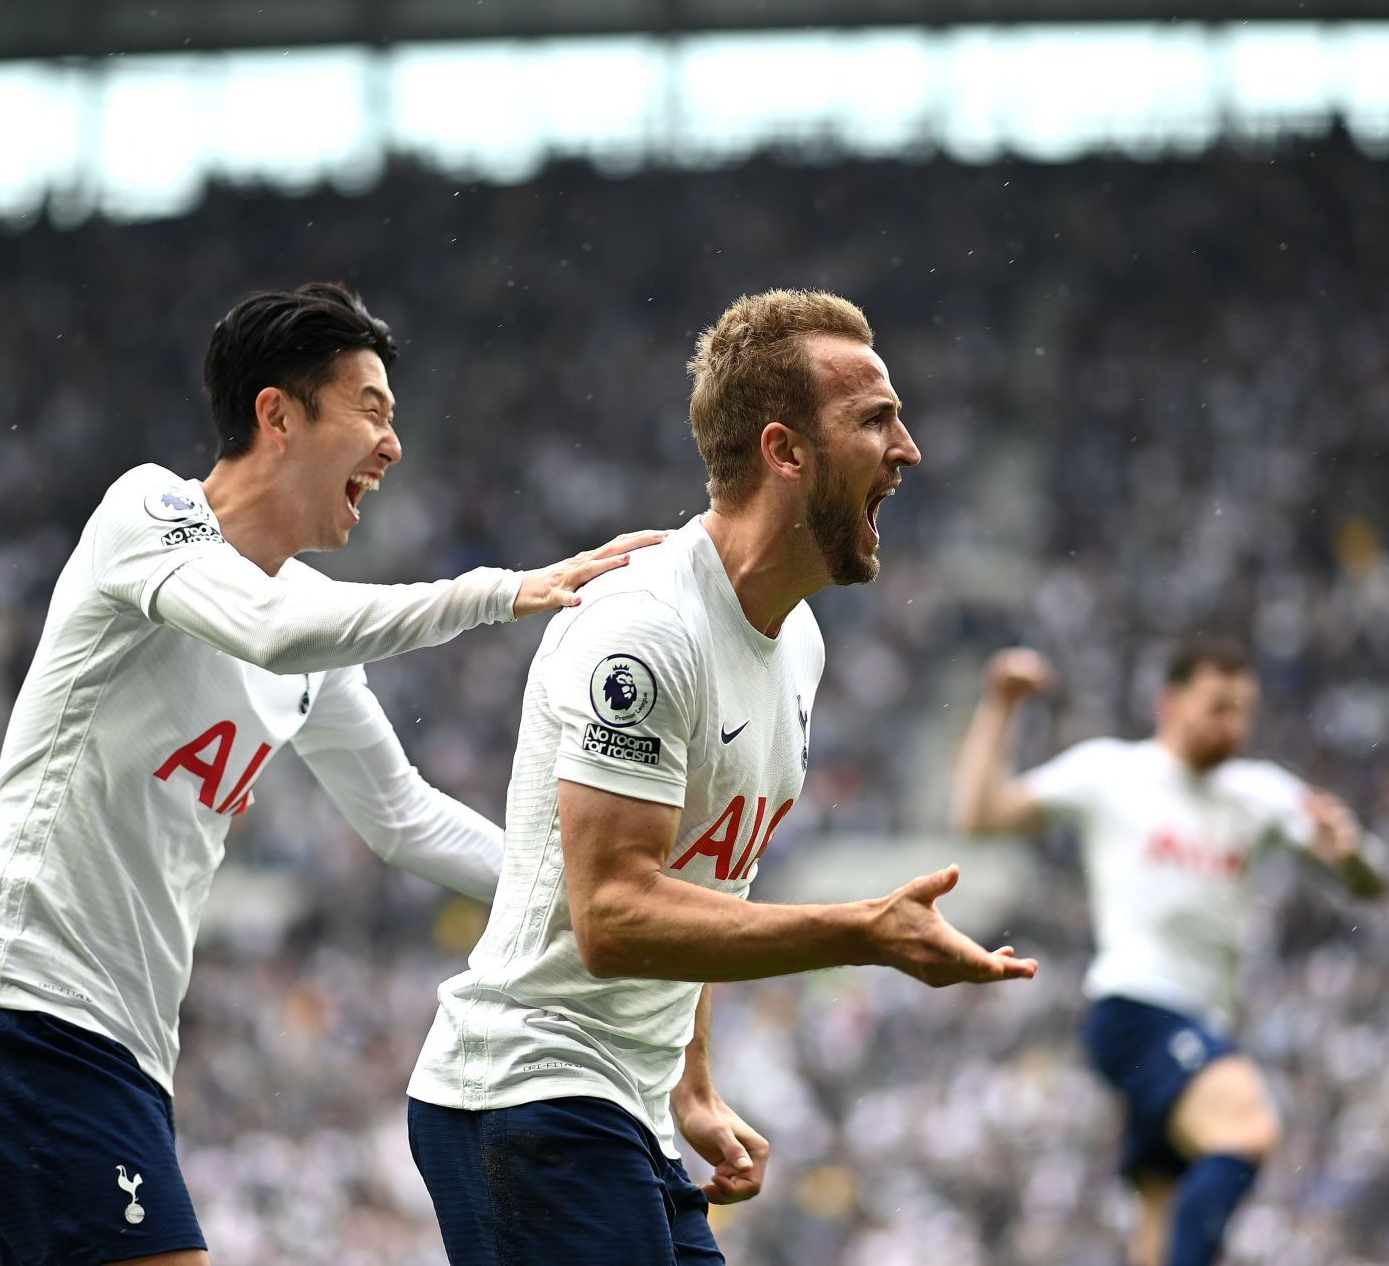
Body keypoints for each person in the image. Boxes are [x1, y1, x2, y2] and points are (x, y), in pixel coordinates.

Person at [0, 281, 657, 1266]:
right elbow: (268, 629)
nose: (393, 445)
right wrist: (503, 592)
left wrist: (578, 888)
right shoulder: (148, 514)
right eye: (372, 410)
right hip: (22, 1011)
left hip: (116, 1048)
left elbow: (402, 818)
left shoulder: (311, 637)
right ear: (277, 416)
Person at [407, 288, 1040, 1265]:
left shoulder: (800, 643)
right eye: (877, 420)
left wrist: (691, 1082)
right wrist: (861, 934)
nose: (908, 449)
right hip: (526, 1094)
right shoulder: (646, 628)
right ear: (785, 452)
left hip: (625, 1108)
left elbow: (698, 883)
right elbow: (616, 917)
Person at [949, 638, 1389, 1266]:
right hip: (1137, 1009)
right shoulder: (1112, 773)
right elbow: (981, 815)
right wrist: (1000, 706)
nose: (1232, 724)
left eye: (1243, 710)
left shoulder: (1258, 791)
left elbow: (1372, 879)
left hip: (1202, 1021)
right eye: (1217, 707)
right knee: (1245, 1128)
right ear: (1170, 704)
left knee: (1160, 1217)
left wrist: (1350, 855)